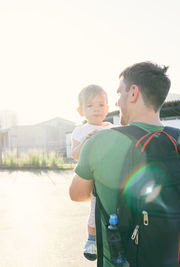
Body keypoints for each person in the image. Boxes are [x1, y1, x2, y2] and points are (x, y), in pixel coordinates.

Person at [69, 61, 180, 267]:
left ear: (133, 93)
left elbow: (76, 194)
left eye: (119, 93)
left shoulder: (97, 141)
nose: (116, 103)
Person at [71, 84, 113, 261]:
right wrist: (85, 143)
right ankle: (92, 239)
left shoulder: (113, 128)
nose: (97, 109)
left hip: (114, 176)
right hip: (95, 179)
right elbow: (75, 155)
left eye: (101, 105)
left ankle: (115, 240)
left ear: (107, 108)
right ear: (81, 111)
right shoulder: (81, 131)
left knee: (115, 211)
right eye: (90, 105)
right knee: (95, 211)